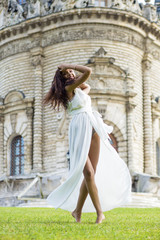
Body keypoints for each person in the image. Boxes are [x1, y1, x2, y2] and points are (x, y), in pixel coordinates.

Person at [43, 64, 132, 224]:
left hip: (93, 126)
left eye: (72, 72)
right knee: (89, 173)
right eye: (67, 73)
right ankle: (100, 213)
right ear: (62, 79)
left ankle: (77, 211)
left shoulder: (79, 90)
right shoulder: (69, 88)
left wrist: (68, 71)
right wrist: (67, 66)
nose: (71, 73)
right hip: (79, 129)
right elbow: (88, 72)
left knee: (91, 173)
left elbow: (88, 86)